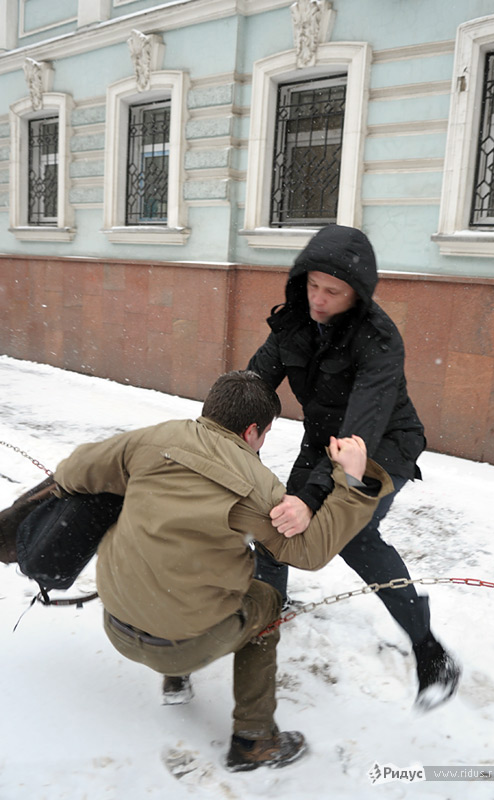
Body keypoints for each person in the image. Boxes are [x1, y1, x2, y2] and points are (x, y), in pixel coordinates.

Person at [2, 370, 392, 771]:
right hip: (181, 642)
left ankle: (177, 681)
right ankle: (254, 740)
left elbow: (72, 471)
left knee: (174, 571)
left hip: (116, 623)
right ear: (253, 431)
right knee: (267, 603)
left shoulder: (151, 439)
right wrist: (352, 482)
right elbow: (310, 552)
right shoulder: (258, 485)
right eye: (265, 434)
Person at [247, 224, 461, 711]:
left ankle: (429, 648)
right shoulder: (294, 324)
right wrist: (221, 438)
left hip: (383, 446)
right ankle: (266, 616)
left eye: (333, 291)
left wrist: (311, 496)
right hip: (323, 440)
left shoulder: (379, 341)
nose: (319, 300)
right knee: (275, 518)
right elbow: (250, 385)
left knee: (355, 536)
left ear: (356, 294)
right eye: (312, 285)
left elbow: (360, 435)